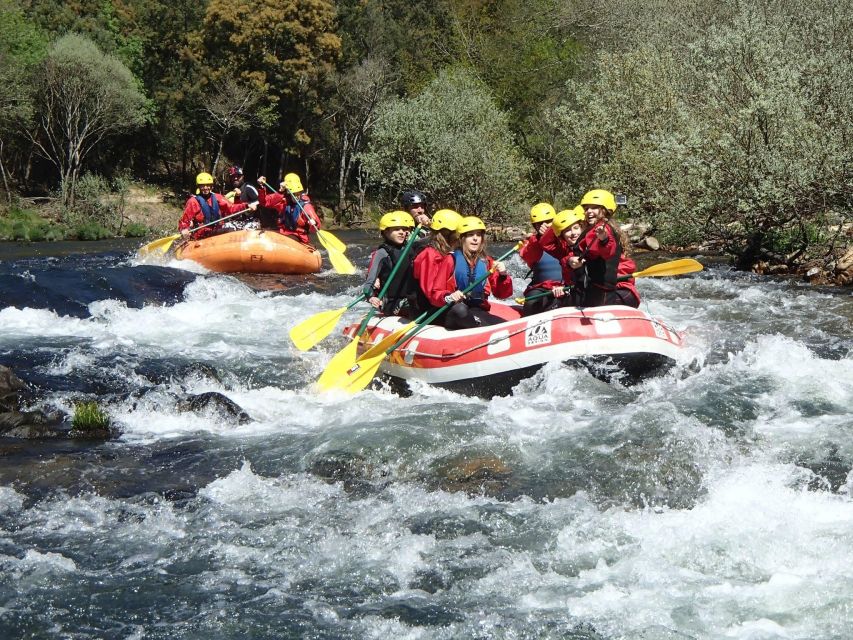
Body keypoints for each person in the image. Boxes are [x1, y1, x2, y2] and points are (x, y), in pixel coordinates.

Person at [565, 189, 640, 307]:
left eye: (594, 207)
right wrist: (570, 260)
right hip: (594, 289)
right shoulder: (592, 229)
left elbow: (606, 251)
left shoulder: (603, 230)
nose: (588, 211)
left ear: (605, 210)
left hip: (604, 291)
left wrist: (604, 239)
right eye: (586, 208)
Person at [445, 216, 513, 329]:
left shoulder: (486, 261)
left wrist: (503, 275)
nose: (475, 238)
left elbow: (502, 295)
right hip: (455, 310)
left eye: (478, 235)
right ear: (462, 238)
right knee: (461, 310)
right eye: (470, 235)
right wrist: (449, 295)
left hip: (477, 309)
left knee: (507, 327)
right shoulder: (450, 260)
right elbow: (438, 291)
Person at [412, 209, 463, 326]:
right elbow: (431, 293)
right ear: (446, 233)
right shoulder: (428, 255)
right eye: (458, 234)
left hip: (445, 302)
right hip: (428, 309)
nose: (460, 238)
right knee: (461, 312)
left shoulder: (449, 253)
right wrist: (448, 297)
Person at [362, 211, 418, 316]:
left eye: (404, 229)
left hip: (411, 298)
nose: (402, 232)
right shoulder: (381, 253)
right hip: (391, 303)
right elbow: (368, 284)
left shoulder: (412, 248)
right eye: (396, 229)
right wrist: (371, 297)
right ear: (386, 232)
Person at [179, 172, 257, 240]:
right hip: (202, 233)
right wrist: (184, 229)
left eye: (208, 185)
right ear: (199, 186)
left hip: (217, 229)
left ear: (211, 186)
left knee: (240, 226)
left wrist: (246, 206)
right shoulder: (193, 202)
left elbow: (231, 208)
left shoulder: (217, 197)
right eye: (203, 185)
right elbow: (185, 220)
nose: (206, 188)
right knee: (231, 229)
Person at [519, 202, 563, 316]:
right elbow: (528, 256)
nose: (545, 225)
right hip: (541, 288)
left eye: (549, 222)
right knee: (532, 303)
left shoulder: (565, 238)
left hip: (564, 286)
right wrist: (539, 239)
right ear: (535, 226)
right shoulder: (531, 243)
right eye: (540, 224)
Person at [256, 173, 321, 244]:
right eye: (294, 193)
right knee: (263, 235)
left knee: (281, 241)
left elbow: (316, 225)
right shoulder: (283, 201)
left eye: (298, 193)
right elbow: (265, 202)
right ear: (289, 193)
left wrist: (314, 223)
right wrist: (262, 187)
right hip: (283, 232)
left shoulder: (306, 206)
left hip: (298, 236)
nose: (296, 196)